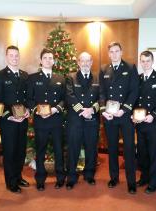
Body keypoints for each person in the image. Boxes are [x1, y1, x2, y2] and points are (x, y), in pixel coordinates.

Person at [99, 42, 139, 194]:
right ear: (108, 53)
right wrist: (103, 110)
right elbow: (102, 92)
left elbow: (134, 91)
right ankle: (114, 177)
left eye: (117, 51)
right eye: (111, 51)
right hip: (110, 116)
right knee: (113, 148)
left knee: (128, 149)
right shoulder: (104, 69)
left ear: (121, 52)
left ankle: (131, 181)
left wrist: (125, 109)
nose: (114, 54)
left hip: (125, 115)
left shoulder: (130, 67)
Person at [0, 45, 30, 194]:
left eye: (16, 55)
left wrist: (27, 110)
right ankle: (10, 182)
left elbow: (27, 98)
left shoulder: (25, 75)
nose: (14, 58)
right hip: (8, 122)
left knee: (21, 151)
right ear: (6, 57)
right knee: (10, 152)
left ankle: (18, 177)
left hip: (23, 120)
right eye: (11, 55)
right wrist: (9, 115)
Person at [26, 48, 66, 191]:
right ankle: (40, 179)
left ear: (54, 61)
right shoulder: (33, 78)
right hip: (41, 121)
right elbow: (29, 100)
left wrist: (56, 109)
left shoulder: (60, 78)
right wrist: (37, 110)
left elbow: (64, 99)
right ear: (41, 60)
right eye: (46, 58)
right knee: (41, 150)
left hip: (56, 120)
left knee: (58, 150)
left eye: (51, 58)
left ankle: (61, 178)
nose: (48, 60)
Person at [133, 51, 156, 194]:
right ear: (140, 62)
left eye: (148, 61)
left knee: (153, 153)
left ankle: (154, 182)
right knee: (142, 153)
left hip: (153, 123)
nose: (145, 63)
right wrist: (132, 115)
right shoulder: (137, 78)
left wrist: (153, 115)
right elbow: (134, 100)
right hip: (140, 122)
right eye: (143, 61)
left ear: (152, 61)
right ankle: (144, 177)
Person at [65, 52, 100, 189]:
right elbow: (70, 96)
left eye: (88, 61)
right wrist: (82, 111)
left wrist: (92, 110)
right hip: (76, 120)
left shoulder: (98, 77)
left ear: (91, 62)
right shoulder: (70, 77)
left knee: (91, 148)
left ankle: (89, 174)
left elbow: (101, 97)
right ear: (78, 63)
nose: (85, 64)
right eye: (82, 61)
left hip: (92, 119)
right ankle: (71, 177)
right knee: (73, 149)